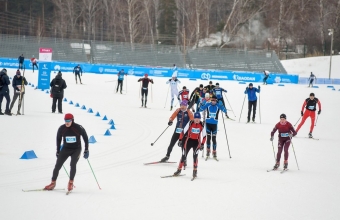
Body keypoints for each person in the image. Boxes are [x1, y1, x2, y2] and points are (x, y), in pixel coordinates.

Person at [44, 113, 89, 192]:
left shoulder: (78, 128)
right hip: (66, 148)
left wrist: (86, 150)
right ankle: (53, 183)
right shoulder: (62, 128)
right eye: (65, 120)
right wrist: (57, 150)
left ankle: (70, 182)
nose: (67, 122)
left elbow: (85, 138)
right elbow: (58, 139)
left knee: (73, 164)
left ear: (72, 120)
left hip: (76, 149)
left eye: (68, 121)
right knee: (57, 165)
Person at [173, 112, 206, 178]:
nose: (197, 120)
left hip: (196, 142)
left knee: (195, 156)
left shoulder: (202, 124)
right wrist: (180, 140)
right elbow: (183, 131)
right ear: (194, 118)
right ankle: (179, 170)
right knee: (183, 155)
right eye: (195, 118)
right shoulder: (190, 123)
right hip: (188, 141)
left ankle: (195, 171)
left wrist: (202, 144)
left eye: (198, 118)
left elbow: (204, 136)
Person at [199, 95, 227, 159]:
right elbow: (200, 110)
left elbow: (225, 111)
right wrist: (202, 104)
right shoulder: (208, 104)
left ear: (216, 100)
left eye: (214, 100)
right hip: (208, 124)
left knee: (214, 139)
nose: (213, 102)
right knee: (208, 138)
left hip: (214, 124)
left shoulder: (218, 105)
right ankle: (208, 151)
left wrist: (222, 105)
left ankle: (214, 151)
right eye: (212, 100)